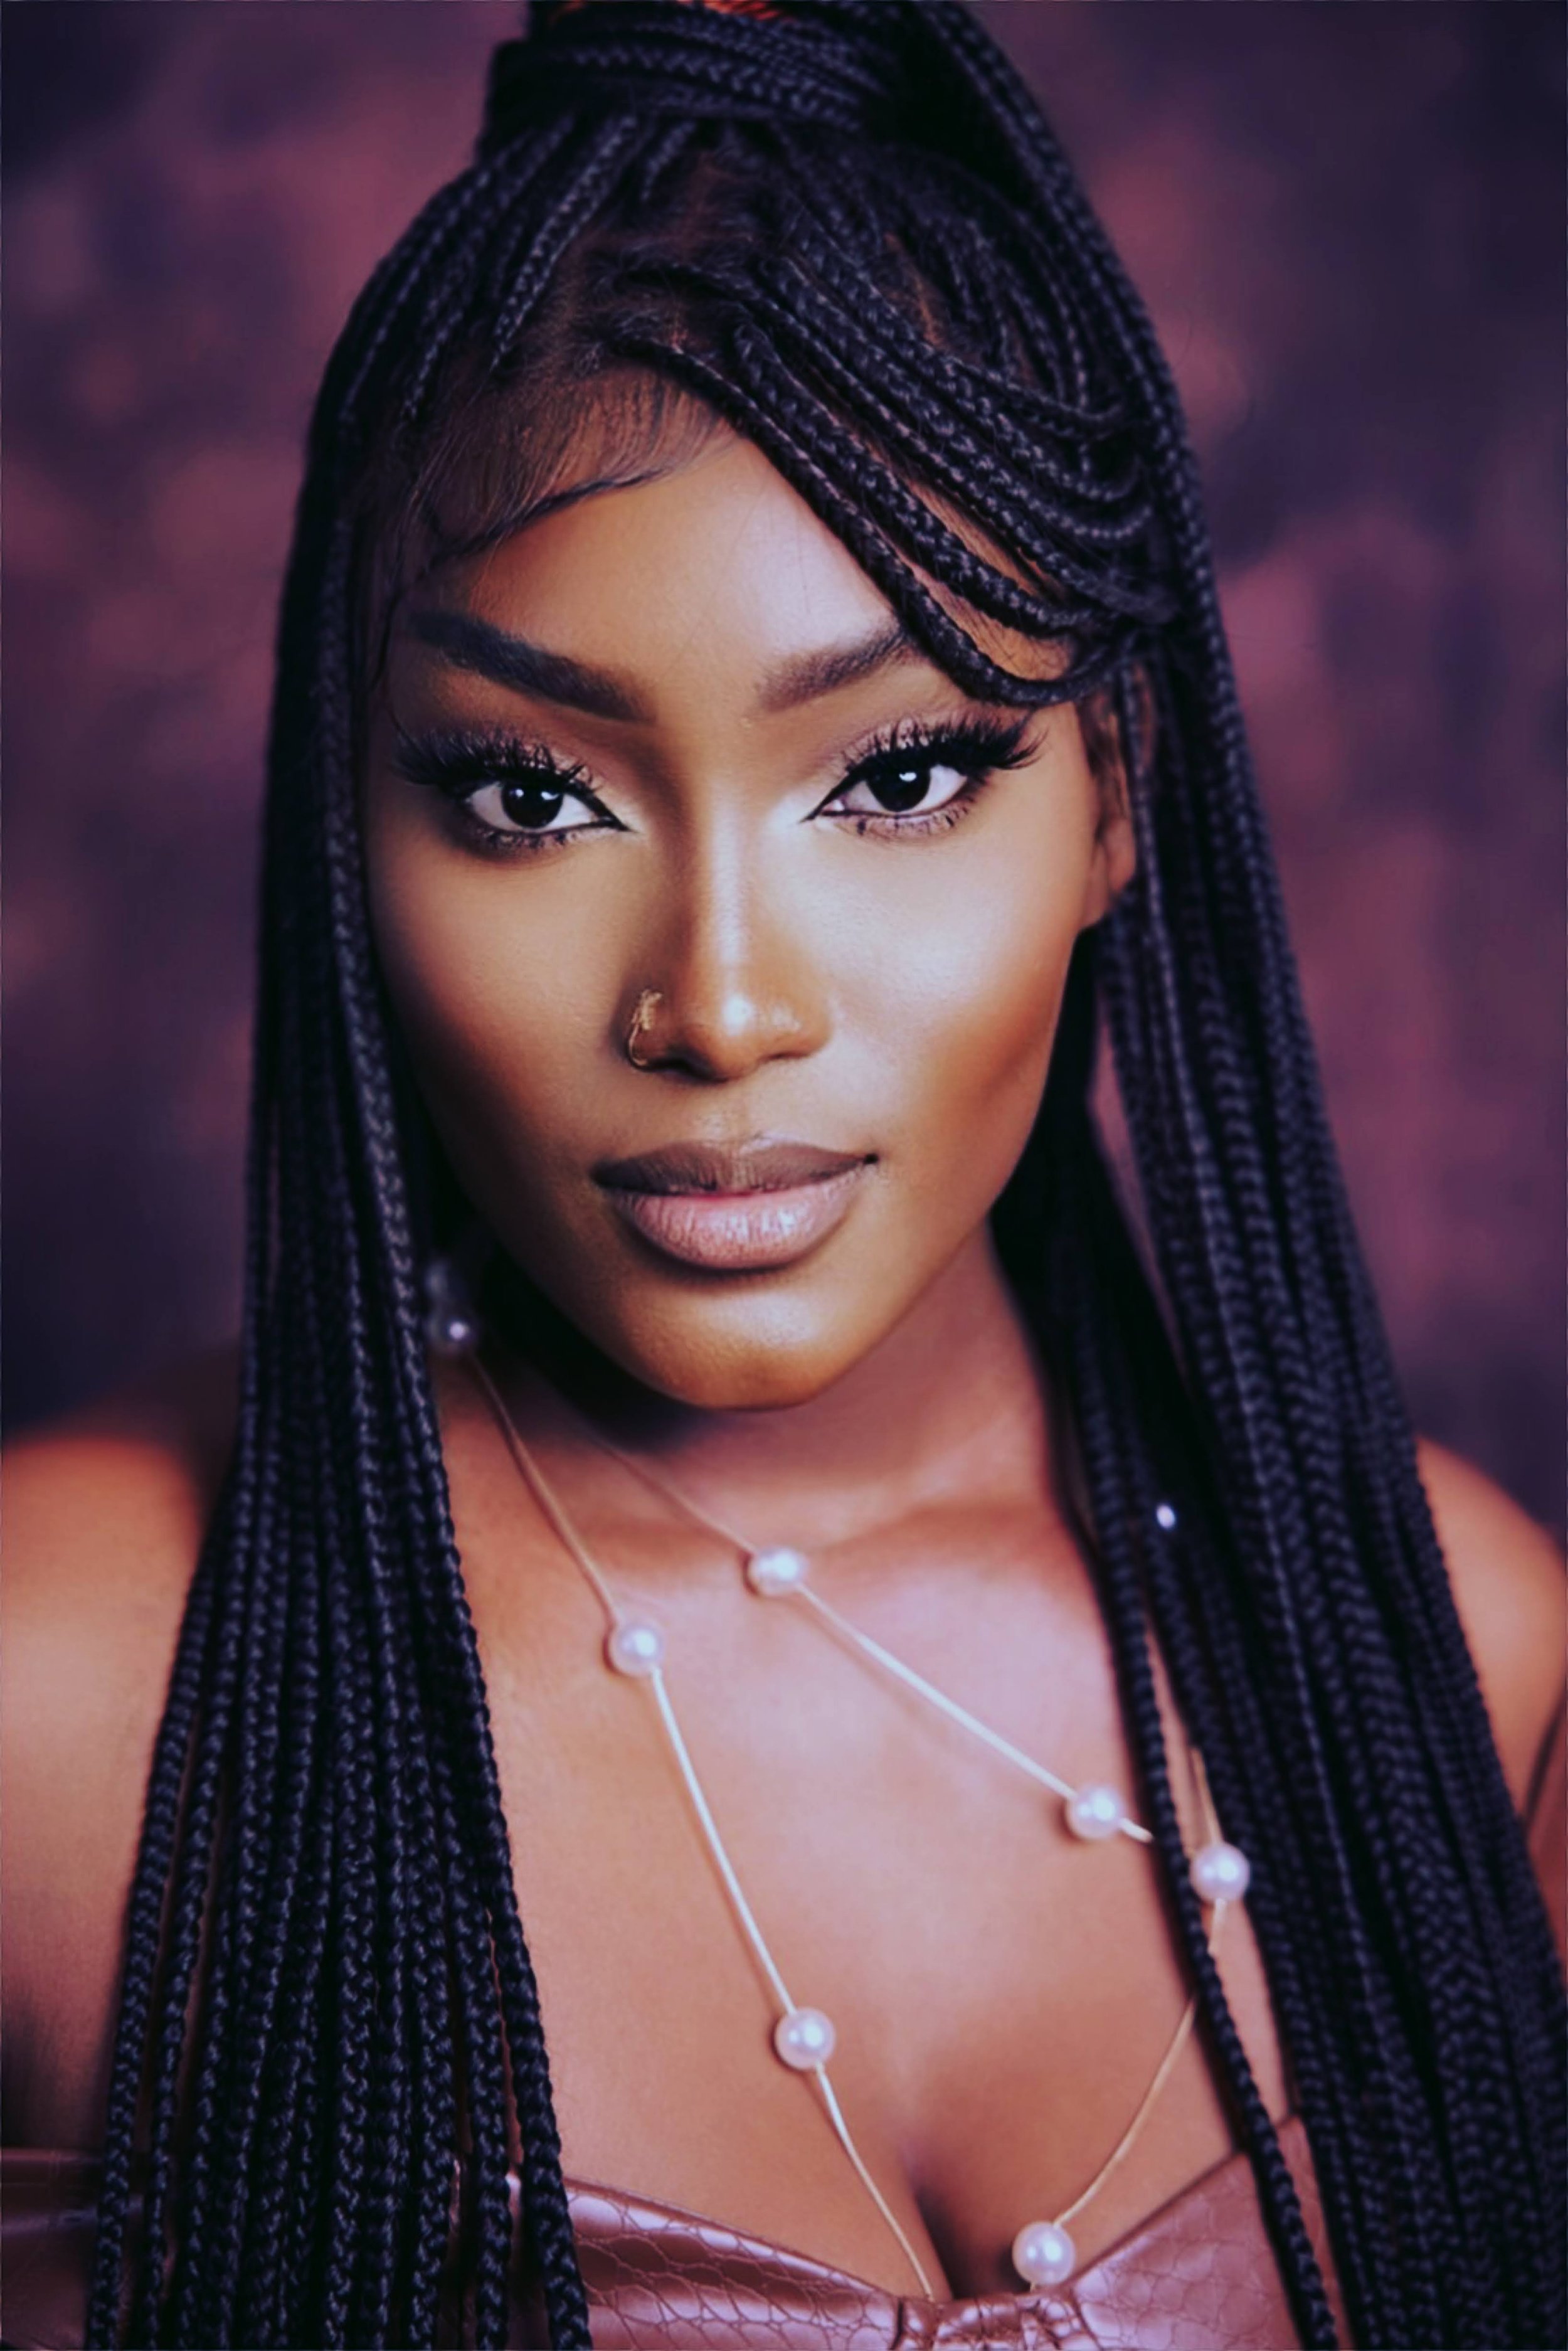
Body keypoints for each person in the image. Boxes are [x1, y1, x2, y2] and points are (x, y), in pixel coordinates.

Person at [3, 3, 1563, 2346]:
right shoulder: (50, 1692)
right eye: (530, 795)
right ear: (352, 817)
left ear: (1116, 790)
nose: (720, 1002)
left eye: (902, 774)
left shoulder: (1454, 1653)